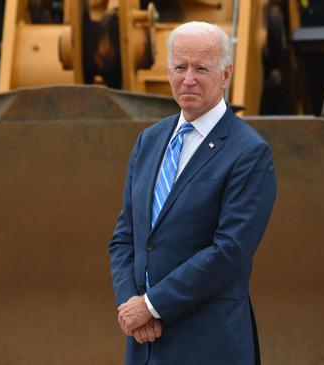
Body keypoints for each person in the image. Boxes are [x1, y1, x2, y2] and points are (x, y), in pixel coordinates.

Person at [109, 21, 277, 365]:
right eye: (180, 67)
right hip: (145, 344)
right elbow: (126, 237)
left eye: (202, 68)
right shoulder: (149, 141)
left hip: (209, 345)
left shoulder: (249, 152)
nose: (188, 78)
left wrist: (153, 305)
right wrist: (132, 305)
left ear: (226, 74)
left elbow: (229, 251)